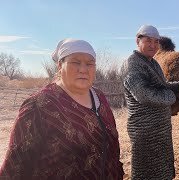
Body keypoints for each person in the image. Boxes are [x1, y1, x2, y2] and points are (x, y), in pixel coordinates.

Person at [0, 39, 124, 179]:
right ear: (60, 65)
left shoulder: (99, 97)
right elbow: (15, 166)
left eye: (90, 63)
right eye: (76, 62)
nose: (83, 69)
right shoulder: (40, 105)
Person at [122, 25, 179, 179]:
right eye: (148, 41)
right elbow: (144, 95)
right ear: (137, 41)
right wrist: (171, 97)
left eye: (156, 42)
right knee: (145, 171)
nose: (153, 45)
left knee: (161, 170)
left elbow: (164, 85)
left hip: (160, 129)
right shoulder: (133, 65)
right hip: (145, 131)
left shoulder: (152, 63)